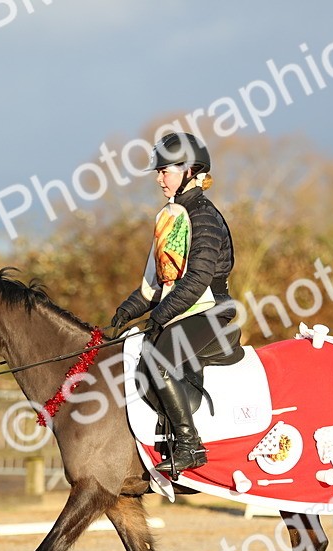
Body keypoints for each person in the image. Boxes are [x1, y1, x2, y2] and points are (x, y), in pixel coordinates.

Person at [110, 132, 237, 474]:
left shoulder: (203, 217)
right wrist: (125, 311)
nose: (159, 178)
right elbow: (156, 284)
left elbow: (196, 281)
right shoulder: (170, 216)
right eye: (159, 171)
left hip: (210, 311)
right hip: (182, 310)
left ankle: (190, 445)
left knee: (158, 359)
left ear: (189, 171)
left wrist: (159, 317)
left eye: (165, 170)